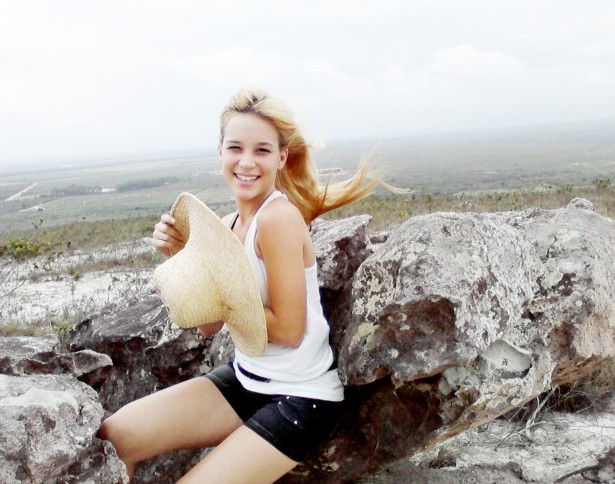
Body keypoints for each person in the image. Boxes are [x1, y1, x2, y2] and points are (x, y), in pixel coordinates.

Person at [98, 87, 396, 483]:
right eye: (235, 148)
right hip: (246, 381)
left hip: (302, 396)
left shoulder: (278, 220)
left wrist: (223, 288)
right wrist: (180, 256)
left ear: (281, 158)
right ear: (220, 152)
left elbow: (289, 331)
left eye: (262, 150)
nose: (247, 162)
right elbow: (209, 325)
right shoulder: (227, 226)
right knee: (116, 437)